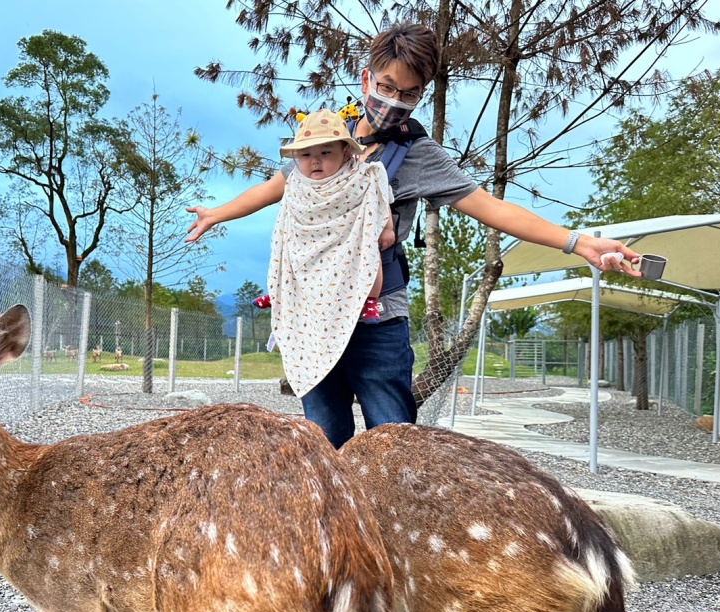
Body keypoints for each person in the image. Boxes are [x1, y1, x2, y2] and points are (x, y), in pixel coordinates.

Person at [186, 22, 639, 449]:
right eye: (386, 87)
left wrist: (579, 243)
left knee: (394, 441)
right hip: (315, 315)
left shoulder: (417, 154)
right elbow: (274, 187)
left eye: (409, 93)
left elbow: (490, 208)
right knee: (324, 439)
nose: (394, 100)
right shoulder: (326, 137)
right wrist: (216, 214)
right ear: (366, 79)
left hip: (376, 315)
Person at [252, 109, 395, 324]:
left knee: (370, 252)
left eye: (325, 153)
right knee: (285, 251)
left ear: (345, 151)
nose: (315, 161)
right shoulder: (296, 182)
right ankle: (280, 292)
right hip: (307, 237)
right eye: (306, 155)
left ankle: (370, 300)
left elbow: (381, 200)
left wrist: (387, 228)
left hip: (350, 239)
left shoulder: (362, 176)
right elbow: (288, 215)